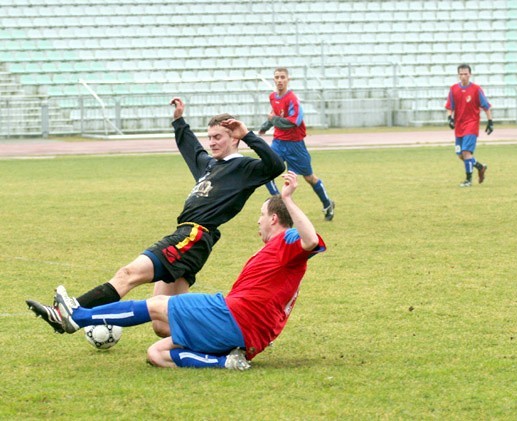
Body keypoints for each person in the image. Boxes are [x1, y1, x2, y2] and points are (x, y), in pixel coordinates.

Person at [26, 97, 285, 336]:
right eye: (210, 137)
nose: (212, 142)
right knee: (163, 325)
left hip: (192, 236)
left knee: (128, 274)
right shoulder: (209, 165)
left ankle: (69, 313)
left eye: (218, 137)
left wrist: (248, 134)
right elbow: (191, 149)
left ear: (234, 138)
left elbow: (275, 165)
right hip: (189, 239)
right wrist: (178, 121)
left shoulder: (244, 168)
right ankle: (226, 335)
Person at [28, 171, 326, 371]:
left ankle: (77, 317)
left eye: (261, 216)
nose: (257, 222)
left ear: (274, 219)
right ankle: (224, 362)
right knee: (156, 354)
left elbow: (310, 239)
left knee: (157, 305)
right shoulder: (280, 252)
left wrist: (287, 198)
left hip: (235, 316)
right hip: (246, 334)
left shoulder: (288, 241)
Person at [258, 67, 335, 221]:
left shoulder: (292, 99)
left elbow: (294, 122)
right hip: (278, 142)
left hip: (295, 145)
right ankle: (280, 204)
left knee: (309, 177)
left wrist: (273, 120)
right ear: (274, 79)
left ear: (288, 79)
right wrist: (265, 127)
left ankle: (327, 204)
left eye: (282, 77)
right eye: (277, 77)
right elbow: (275, 114)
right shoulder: (273, 97)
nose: (279, 80)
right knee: (266, 172)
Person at [445, 64, 494, 187]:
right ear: (458, 75)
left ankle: (468, 180)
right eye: (461, 74)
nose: (463, 76)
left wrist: (490, 122)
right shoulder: (453, 89)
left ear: (470, 74)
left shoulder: (476, 89)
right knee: (461, 155)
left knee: (466, 152)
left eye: (465, 74)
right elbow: (450, 106)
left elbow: (486, 106)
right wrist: (449, 118)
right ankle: (480, 167)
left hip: (471, 125)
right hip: (459, 125)